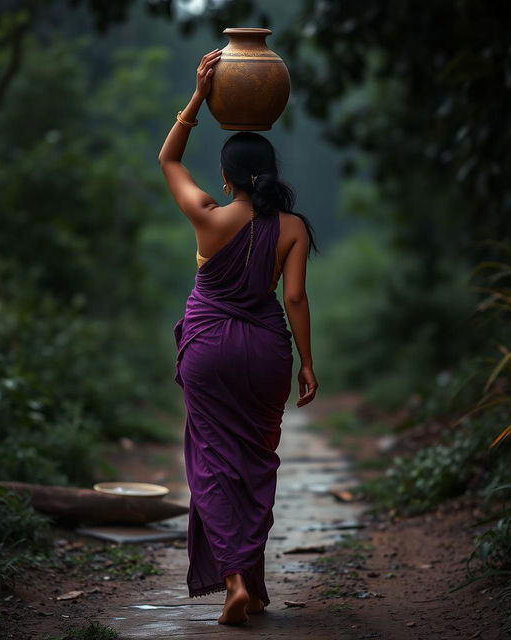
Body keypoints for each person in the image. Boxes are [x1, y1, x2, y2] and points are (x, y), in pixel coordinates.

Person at [157, 49, 318, 626]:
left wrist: (200, 94)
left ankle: (233, 581)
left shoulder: (207, 214)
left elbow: (167, 158)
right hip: (267, 351)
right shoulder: (294, 228)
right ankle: (248, 576)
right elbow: (294, 298)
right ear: (271, 173)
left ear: (226, 178)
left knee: (212, 462)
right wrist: (306, 362)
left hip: (208, 350)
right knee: (255, 461)